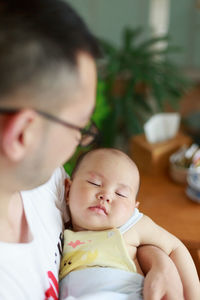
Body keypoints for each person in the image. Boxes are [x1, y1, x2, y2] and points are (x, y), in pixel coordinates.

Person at [0, 0, 185, 299]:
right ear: (22, 134)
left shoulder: (47, 182)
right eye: (80, 128)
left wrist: (159, 262)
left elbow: (120, 229)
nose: (79, 142)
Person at [60, 148, 200, 300]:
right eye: (94, 183)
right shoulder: (58, 231)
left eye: (120, 194)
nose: (106, 195)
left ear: (134, 208)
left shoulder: (130, 226)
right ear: (68, 191)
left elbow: (176, 247)